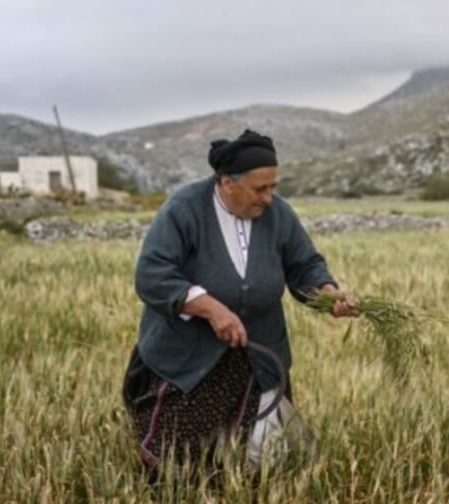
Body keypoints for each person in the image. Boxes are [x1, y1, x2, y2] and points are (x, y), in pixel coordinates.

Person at [122, 129, 359, 473]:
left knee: (257, 462)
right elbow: (152, 273)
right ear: (227, 183)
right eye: (260, 189)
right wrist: (210, 308)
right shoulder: (184, 209)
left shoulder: (278, 214)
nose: (268, 198)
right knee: (178, 463)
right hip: (190, 356)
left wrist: (328, 294)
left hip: (257, 355)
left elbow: (304, 265)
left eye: (273, 187)